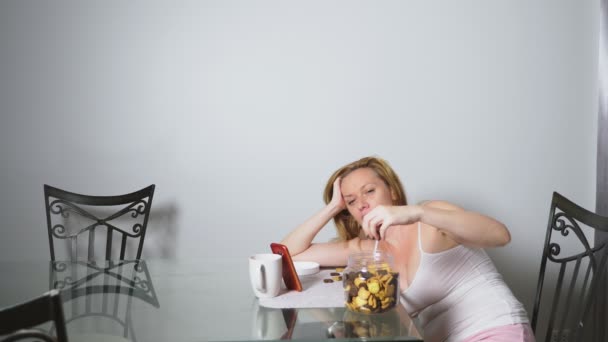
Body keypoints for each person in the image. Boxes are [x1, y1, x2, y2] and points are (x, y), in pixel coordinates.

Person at [280, 156, 535, 342]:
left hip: (498, 329)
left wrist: (418, 212)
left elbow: (500, 235)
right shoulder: (367, 251)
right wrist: (332, 207)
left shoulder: (429, 219)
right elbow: (288, 254)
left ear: (391, 190)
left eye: (369, 191)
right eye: (352, 201)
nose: (363, 204)